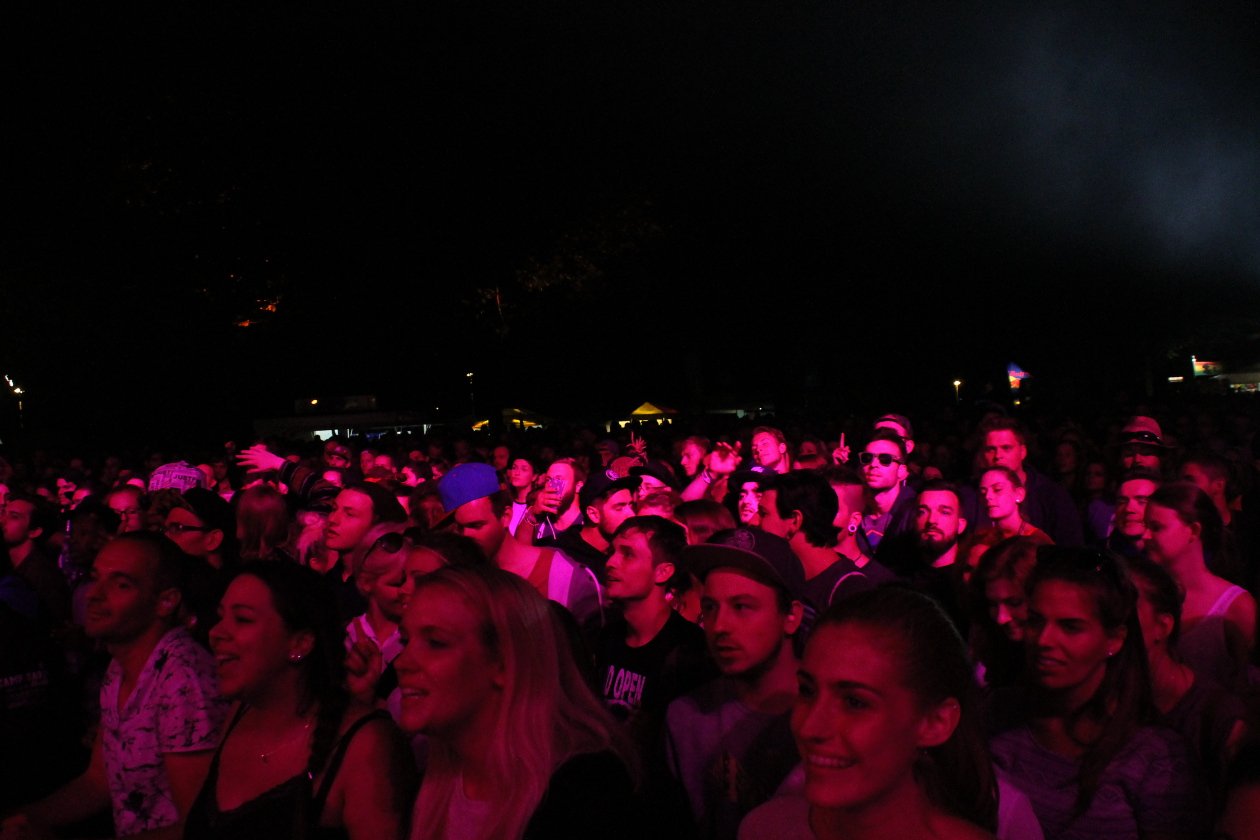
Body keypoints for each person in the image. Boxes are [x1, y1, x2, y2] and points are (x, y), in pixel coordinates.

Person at [1, 533, 228, 839]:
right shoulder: (120, 666)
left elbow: (198, 826)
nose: (95, 594)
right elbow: (100, 780)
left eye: (121, 584)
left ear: (165, 601)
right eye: (96, 578)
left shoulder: (183, 680)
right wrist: (25, 818)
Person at [396, 565, 639, 840]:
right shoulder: (433, 787)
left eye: (435, 642)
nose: (403, 662)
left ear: (504, 663)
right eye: (405, 640)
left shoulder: (585, 791)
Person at [739, 587, 998, 840]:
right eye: (808, 691)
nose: (809, 728)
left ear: (935, 723)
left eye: (855, 702)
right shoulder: (765, 827)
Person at [184, 562, 415, 839]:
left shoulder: (363, 746)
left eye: (242, 619)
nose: (216, 633)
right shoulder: (240, 713)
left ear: (300, 644)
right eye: (220, 617)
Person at [989, 546, 1208, 839]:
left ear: (1115, 639)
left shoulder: (1154, 758)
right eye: (1036, 621)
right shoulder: (997, 715)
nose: (1044, 640)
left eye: (1070, 627)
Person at [664, 527, 807, 839]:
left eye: (742, 606)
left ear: (791, 616)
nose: (719, 626)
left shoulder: (830, 721)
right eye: (710, 607)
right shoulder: (686, 718)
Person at [1126, 555, 1248, 814]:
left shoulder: (1219, 719)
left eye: (1126, 608)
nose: (1114, 620)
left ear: (1163, 625)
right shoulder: (1103, 699)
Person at [1144, 482, 1256, 691]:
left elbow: (1242, 692)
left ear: (1194, 531)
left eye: (1156, 527)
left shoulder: (1235, 606)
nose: (1145, 536)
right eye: (1146, 527)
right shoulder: (1145, 595)